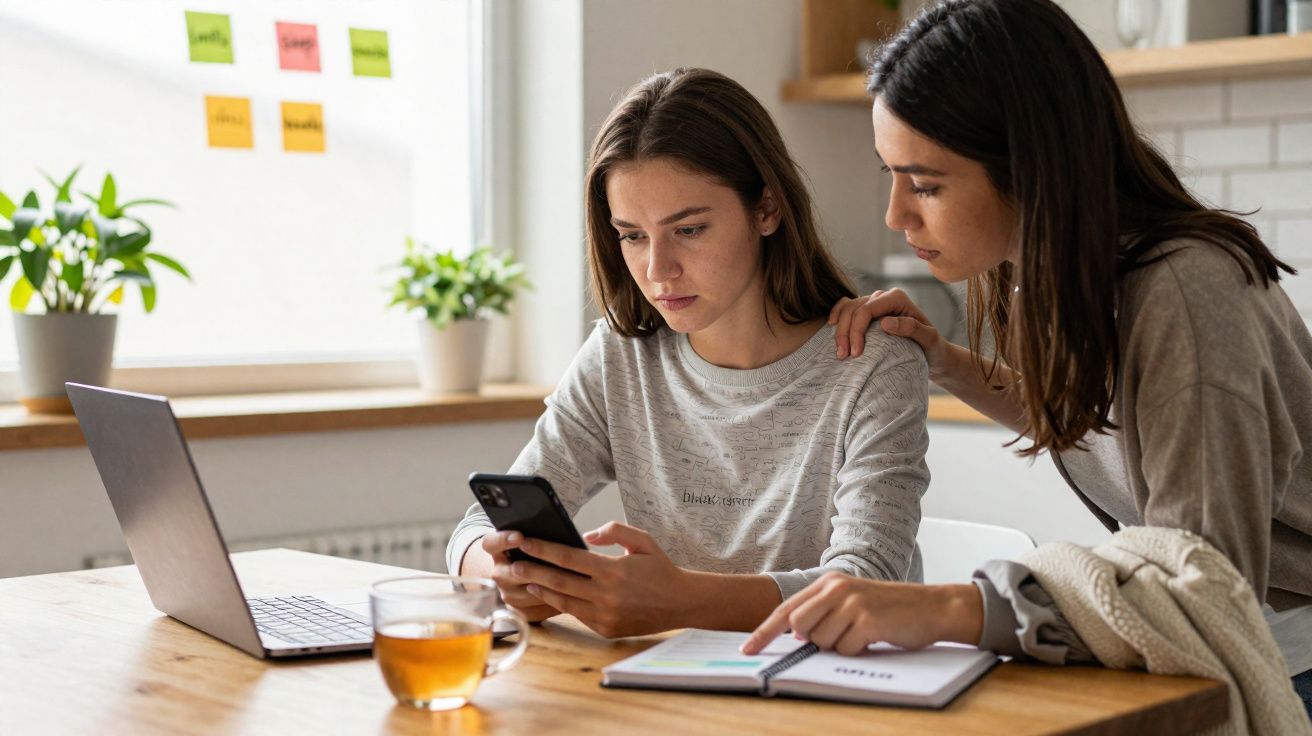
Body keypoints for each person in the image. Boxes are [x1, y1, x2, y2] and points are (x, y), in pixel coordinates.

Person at [742, 0, 1312, 719]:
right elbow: (1097, 421)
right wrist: (943, 358)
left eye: (925, 184)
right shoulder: (1052, 269)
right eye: (891, 174)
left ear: (1032, 170)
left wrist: (953, 608)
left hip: (1286, 657)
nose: (896, 214)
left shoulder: (1188, 294)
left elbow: (1201, 585)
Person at [444, 68, 932, 639]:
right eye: (631, 235)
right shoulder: (621, 357)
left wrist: (677, 601)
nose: (657, 270)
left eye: (690, 229)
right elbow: (475, 528)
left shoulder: (873, 362)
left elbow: (867, 581)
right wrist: (499, 572)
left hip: (836, 694)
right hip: (668, 688)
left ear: (767, 210)